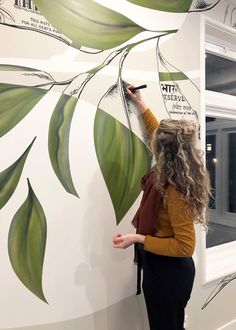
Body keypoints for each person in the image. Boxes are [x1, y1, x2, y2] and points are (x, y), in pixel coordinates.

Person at [112, 86, 211, 330]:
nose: (152, 141)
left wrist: (138, 238)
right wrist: (141, 103)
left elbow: (185, 245)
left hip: (170, 273)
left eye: (156, 142)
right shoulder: (174, 166)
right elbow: (158, 131)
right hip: (160, 268)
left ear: (164, 151)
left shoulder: (175, 188)